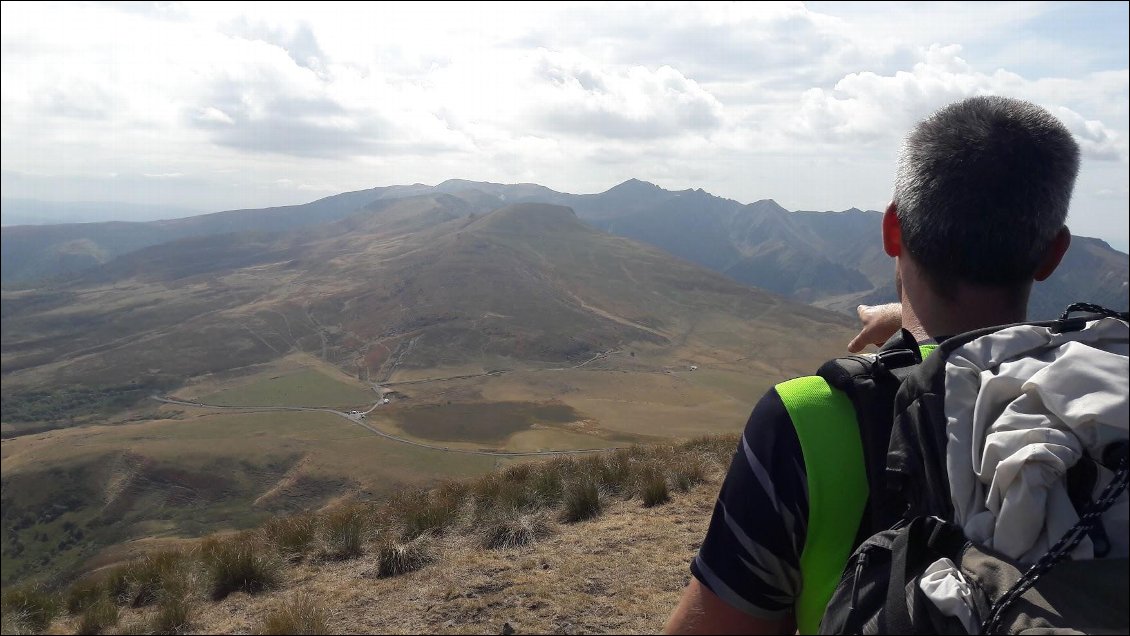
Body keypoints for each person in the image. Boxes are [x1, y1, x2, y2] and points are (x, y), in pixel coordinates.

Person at [664, 95, 1079, 635]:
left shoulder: (805, 419)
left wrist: (913, 335)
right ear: (1054, 254)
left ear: (891, 230)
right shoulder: (1104, 403)